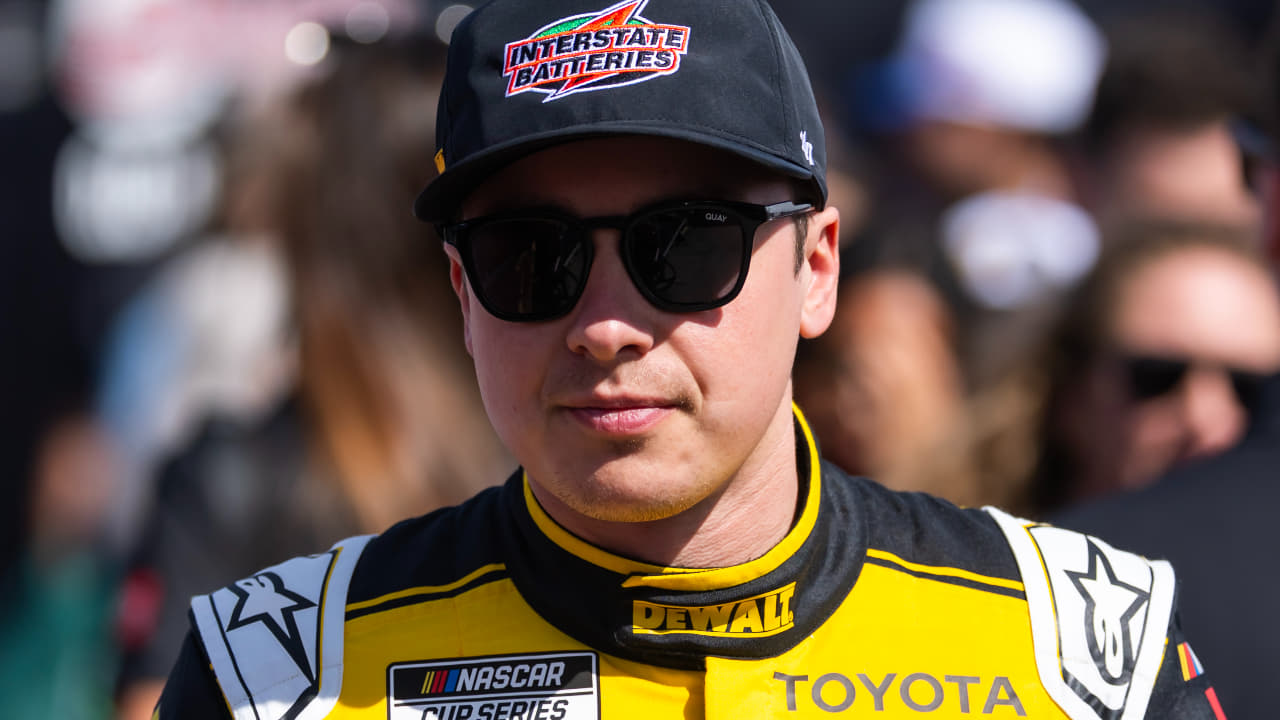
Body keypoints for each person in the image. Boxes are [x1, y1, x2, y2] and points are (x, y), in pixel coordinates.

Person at [155, 2, 1223, 718]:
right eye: (531, 259)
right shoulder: (277, 673)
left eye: (687, 245)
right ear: (460, 297)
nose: (605, 324)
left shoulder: (1079, 649)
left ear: (816, 271)